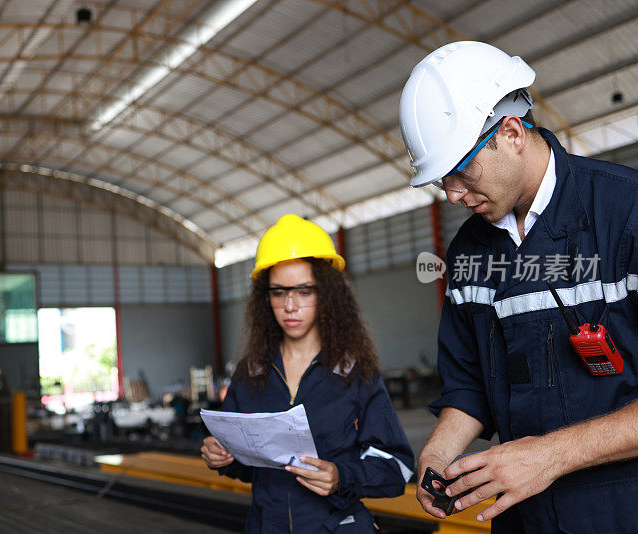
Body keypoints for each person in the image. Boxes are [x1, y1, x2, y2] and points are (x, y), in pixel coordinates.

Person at [399, 41, 638, 533]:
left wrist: (549, 456)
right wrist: (439, 452)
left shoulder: (625, 215)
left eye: (462, 171)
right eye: (442, 181)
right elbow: (468, 385)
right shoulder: (468, 254)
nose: (454, 195)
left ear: (510, 133)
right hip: (521, 518)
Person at [201, 214, 414, 533]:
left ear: (326, 293)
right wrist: (221, 456)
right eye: (278, 292)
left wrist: (342, 477)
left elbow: (396, 468)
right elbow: (245, 462)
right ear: (265, 297)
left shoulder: (354, 371)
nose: (289, 306)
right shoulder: (252, 372)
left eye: (304, 291)